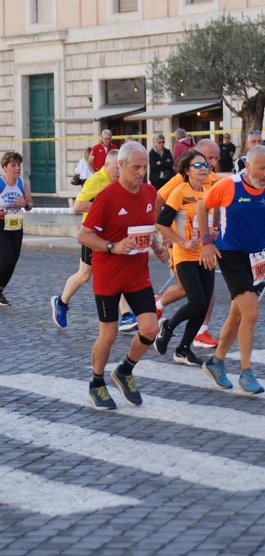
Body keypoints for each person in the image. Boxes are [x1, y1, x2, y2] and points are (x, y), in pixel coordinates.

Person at [196, 145, 265, 394]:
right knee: (251, 313)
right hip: (231, 253)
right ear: (248, 166)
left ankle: (216, 362)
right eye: (261, 168)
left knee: (237, 313)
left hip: (257, 256)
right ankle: (246, 372)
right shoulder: (228, 185)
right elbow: (202, 207)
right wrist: (207, 242)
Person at [77, 141, 168, 410]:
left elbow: (146, 227)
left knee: (151, 329)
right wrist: (112, 247)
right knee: (109, 334)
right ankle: (96, 383)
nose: (141, 172)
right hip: (109, 275)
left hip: (138, 274)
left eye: (144, 167)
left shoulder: (150, 192)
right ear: (121, 166)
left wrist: (157, 246)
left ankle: (125, 371)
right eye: (136, 167)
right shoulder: (107, 196)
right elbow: (83, 235)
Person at [51, 150, 137, 333]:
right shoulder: (95, 181)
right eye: (115, 168)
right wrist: (103, 206)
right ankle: (61, 302)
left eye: (120, 168)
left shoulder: (120, 182)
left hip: (112, 233)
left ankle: (126, 315)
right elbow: (78, 206)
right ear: (106, 165)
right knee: (84, 275)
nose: (118, 172)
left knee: (116, 270)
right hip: (92, 234)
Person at [155, 138, 221, 348]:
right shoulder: (179, 188)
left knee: (202, 301)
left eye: (210, 162)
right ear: (188, 169)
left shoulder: (210, 188)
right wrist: (177, 240)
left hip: (206, 252)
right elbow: (161, 218)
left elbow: (217, 209)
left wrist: (215, 231)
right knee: (194, 298)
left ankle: (185, 347)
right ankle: (166, 322)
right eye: (201, 163)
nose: (207, 166)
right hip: (185, 252)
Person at [0, 151, 33, 306]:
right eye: (13, 165)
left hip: (16, 227)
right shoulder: (1, 184)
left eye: (18, 164)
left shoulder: (22, 184)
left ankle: (0, 292)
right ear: (5, 167)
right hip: (1, 227)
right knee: (6, 260)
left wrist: (25, 204)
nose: (17, 168)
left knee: (12, 262)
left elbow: (30, 205)